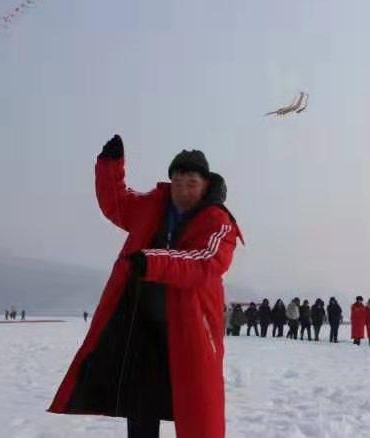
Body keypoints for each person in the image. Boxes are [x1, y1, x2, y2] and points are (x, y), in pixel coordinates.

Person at [49, 137, 243, 438]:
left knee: (197, 411)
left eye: (191, 183)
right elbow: (118, 203)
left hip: (190, 329)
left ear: (206, 184)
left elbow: (204, 262)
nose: (182, 190)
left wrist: (151, 262)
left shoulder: (219, 222)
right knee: (141, 402)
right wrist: (109, 166)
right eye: (177, 182)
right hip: (144, 326)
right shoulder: (154, 207)